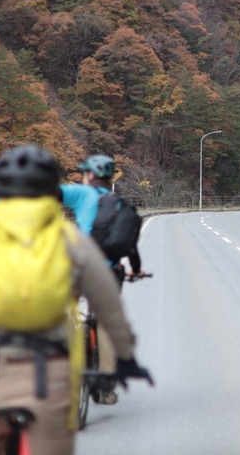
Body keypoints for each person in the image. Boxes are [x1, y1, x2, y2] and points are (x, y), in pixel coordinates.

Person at [0, 144, 152, 455]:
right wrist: (127, 359)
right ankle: (101, 378)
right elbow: (112, 307)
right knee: (99, 318)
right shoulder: (74, 239)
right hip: (46, 377)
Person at [59, 154, 143, 405]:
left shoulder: (81, 194)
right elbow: (130, 246)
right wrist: (136, 269)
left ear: (90, 175)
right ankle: (106, 386)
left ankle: (65, 360)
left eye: (84, 174)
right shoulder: (120, 204)